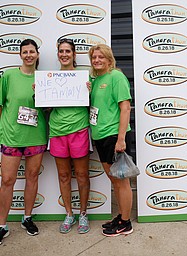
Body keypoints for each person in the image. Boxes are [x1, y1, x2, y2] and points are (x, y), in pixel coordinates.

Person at [0, 39, 47, 244]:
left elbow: (51, 106)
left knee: (32, 177)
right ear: (20, 55)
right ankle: (2, 225)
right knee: (7, 180)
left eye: (32, 51)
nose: (28, 54)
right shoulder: (9, 76)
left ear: (37, 54)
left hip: (35, 136)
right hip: (12, 136)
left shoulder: (44, 78)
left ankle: (27, 218)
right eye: (25, 51)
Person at [88, 44, 133, 237]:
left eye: (100, 57)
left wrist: (121, 139)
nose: (97, 60)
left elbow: (125, 108)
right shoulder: (96, 80)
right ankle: (121, 216)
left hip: (114, 136)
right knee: (114, 179)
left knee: (121, 181)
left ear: (109, 59)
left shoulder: (116, 77)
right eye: (94, 57)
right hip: (101, 136)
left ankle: (126, 222)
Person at [48, 38, 90, 234]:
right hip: (57, 131)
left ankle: (83, 213)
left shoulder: (84, 76)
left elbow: (94, 104)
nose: (64, 54)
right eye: (61, 51)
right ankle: (69, 214)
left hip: (79, 130)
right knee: (64, 176)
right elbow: (46, 107)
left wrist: (90, 92)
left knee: (81, 175)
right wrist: (40, 93)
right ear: (58, 54)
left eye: (68, 51)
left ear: (74, 54)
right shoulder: (50, 77)